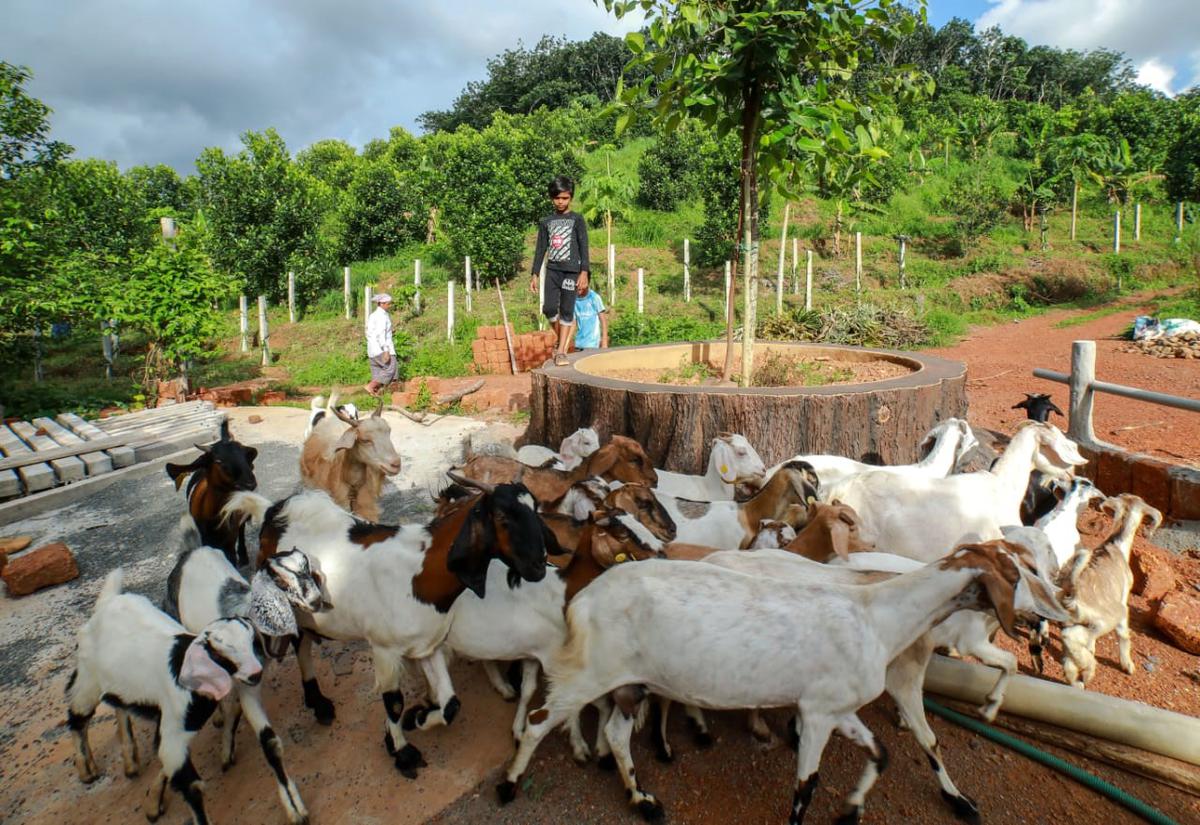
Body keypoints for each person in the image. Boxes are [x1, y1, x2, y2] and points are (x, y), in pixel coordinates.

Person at [530, 176, 589, 366]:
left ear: (570, 197)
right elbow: (541, 248)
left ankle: (562, 350)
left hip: (571, 271)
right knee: (548, 309)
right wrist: (535, 273)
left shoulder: (577, 219)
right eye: (557, 198)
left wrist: (584, 272)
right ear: (551, 198)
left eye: (564, 198)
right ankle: (566, 332)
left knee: (566, 309)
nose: (560, 202)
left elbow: (584, 246)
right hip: (553, 270)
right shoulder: (546, 222)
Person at [364, 292, 397, 397]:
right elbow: (380, 334)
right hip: (381, 349)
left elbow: (370, 332)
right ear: (381, 304)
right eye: (388, 303)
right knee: (391, 368)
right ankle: (370, 386)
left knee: (377, 372)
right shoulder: (381, 316)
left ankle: (375, 394)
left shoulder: (373, 315)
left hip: (372, 349)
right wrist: (386, 350)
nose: (389, 305)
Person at [570, 278, 608, 351]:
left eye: (581, 283)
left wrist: (604, 342)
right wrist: (565, 344)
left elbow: (603, 321)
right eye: (576, 283)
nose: (578, 285)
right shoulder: (574, 300)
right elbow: (573, 324)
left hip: (592, 344)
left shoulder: (594, 297)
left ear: (586, 283)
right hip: (579, 343)